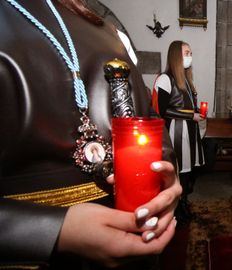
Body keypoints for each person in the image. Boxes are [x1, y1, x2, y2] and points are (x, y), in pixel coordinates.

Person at [0, 0, 181, 269]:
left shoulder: (109, 29)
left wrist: (167, 186)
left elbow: (149, 121)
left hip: (135, 241)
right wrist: (57, 230)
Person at [153, 40, 205, 224]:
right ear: (176, 55)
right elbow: (160, 111)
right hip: (175, 134)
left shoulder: (187, 82)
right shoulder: (165, 79)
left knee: (188, 173)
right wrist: (191, 116)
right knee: (178, 172)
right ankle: (175, 210)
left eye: (191, 53)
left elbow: (187, 106)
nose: (189, 57)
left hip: (189, 133)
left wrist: (196, 113)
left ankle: (183, 203)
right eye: (186, 53)